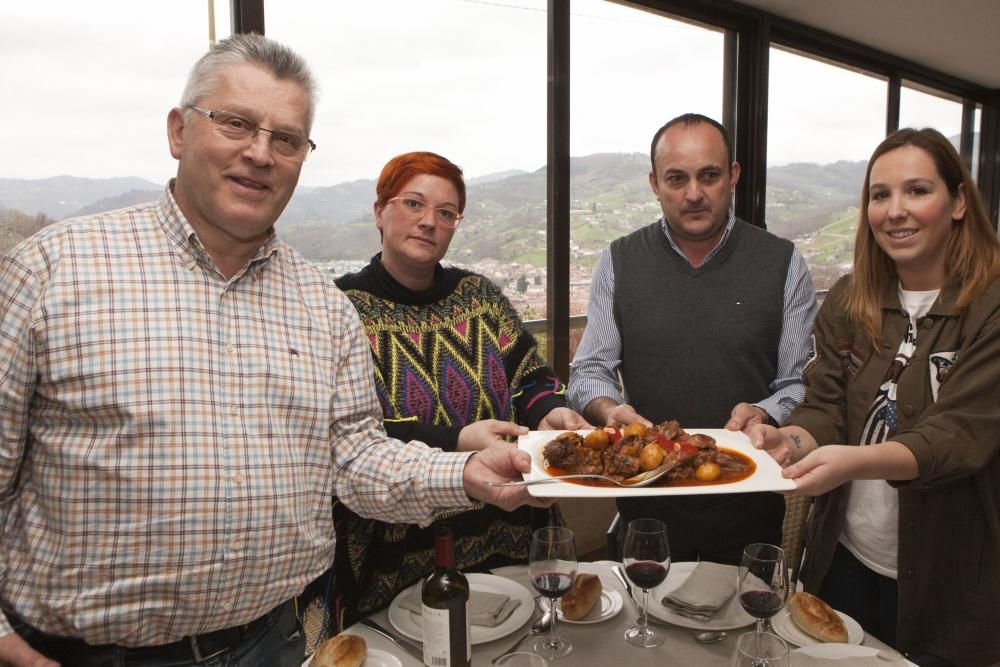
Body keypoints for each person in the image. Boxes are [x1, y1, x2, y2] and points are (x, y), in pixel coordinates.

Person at [0, 34, 544, 667]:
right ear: (179, 131)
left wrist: (464, 475)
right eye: (235, 124)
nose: (260, 153)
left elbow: (354, 459)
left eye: (285, 139)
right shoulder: (51, 271)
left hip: (278, 644)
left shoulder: (321, 305)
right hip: (83, 654)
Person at [751, 128, 1000, 667]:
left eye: (917, 190)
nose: (895, 211)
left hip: (953, 578)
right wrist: (787, 438)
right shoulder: (850, 296)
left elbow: (957, 436)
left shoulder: (991, 306)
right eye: (880, 195)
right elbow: (824, 405)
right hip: (846, 560)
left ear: (958, 202)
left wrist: (852, 463)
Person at [325, 151, 588, 630]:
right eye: (413, 204)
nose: (429, 222)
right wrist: (458, 440)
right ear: (379, 211)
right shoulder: (344, 310)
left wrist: (550, 410)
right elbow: (360, 433)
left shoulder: (479, 296)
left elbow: (528, 376)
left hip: (506, 527)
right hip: (396, 549)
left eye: (446, 213)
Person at [567, 113, 817, 564]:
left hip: (750, 504)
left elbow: (798, 383)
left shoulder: (783, 263)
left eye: (709, 175)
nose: (694, 193)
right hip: (646, 507)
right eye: (677, 179)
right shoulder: (618, 261)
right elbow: (588, 370)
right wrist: (612, 410)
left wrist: (764, 411)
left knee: (749, 630)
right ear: (654, 183)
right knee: (644, 626)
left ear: (733, 176)